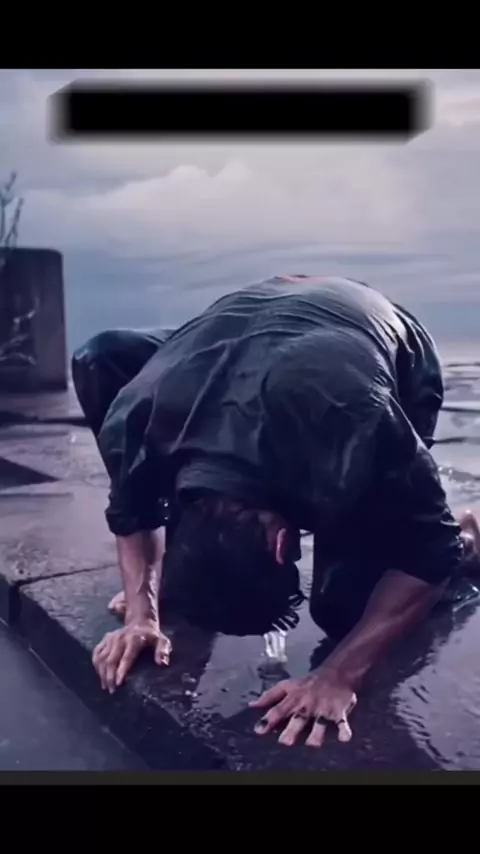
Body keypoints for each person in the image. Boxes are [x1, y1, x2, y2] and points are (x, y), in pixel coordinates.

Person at [72, 274, 479, 750]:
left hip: (380, 350)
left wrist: (339, 674)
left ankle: (471, 531)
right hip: (244, 338)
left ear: (286, 543)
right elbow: (131, 512)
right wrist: (141, 614)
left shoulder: (352, 417)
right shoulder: (136, 415)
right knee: (99, 355)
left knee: (347, 608)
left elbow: (428, 553)